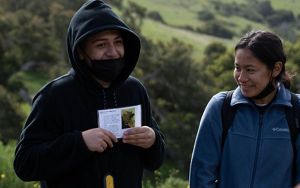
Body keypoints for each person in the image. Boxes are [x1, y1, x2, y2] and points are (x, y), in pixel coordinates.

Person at [13, 1, 165, 187]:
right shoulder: (55, 96)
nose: (113, 52)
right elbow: (25, 164)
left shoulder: (133, 90)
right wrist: (80, 142)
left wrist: (152, 141)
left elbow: (155, 160)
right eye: (101, 45)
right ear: (81, 52)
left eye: (118, 42)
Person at [189, 30, 300, 188]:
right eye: (237, 68)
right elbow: (201, 176)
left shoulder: (296, 110)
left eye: (250, 70)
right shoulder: (220, 107)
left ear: (276, 69)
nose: (241, 78)